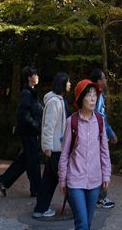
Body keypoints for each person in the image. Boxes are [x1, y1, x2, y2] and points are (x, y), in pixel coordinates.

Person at [59, 79, 111, 230]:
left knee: (87, 223)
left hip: (95, 180)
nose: (93, 98)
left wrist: (106, 174)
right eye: (89, 95)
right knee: (82, 224)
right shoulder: (72, 122)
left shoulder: (100, 121)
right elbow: (65, 153)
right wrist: (62, 179)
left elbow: (104, 151)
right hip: (75, 180)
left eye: (95, 95)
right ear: (81, 98)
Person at [0, 66, 43, 197]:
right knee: (32, 160)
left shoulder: (32, 93)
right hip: (29, 132)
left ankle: (4, 180)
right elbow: (23, 114)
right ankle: (36, 189)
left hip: (32, 132)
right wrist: (35, 125)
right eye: (35, 74)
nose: (37, 77)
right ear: (29, 78)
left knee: (26, 159)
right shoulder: (26, 93)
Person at [33, 71, 71, 219]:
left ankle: (40, 209)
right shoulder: (55, 102)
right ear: (62, 83)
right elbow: (48, 126)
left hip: (57, 148)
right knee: (64, 178)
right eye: (68, 82)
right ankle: (79, 209)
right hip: (56, 149)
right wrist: (47, 147)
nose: (70, 84)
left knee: (49, 180)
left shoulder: (59, 100)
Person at [89, 69, 116, 209]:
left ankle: (94, 197)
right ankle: (100, 198)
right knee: (102, 166)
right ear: (98, 81)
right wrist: (110, 133)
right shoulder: (97, 96)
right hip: (98, 137)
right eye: (104, 78)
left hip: (93, 135)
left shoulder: (91, 94)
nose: (106, 80)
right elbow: (101, 118)